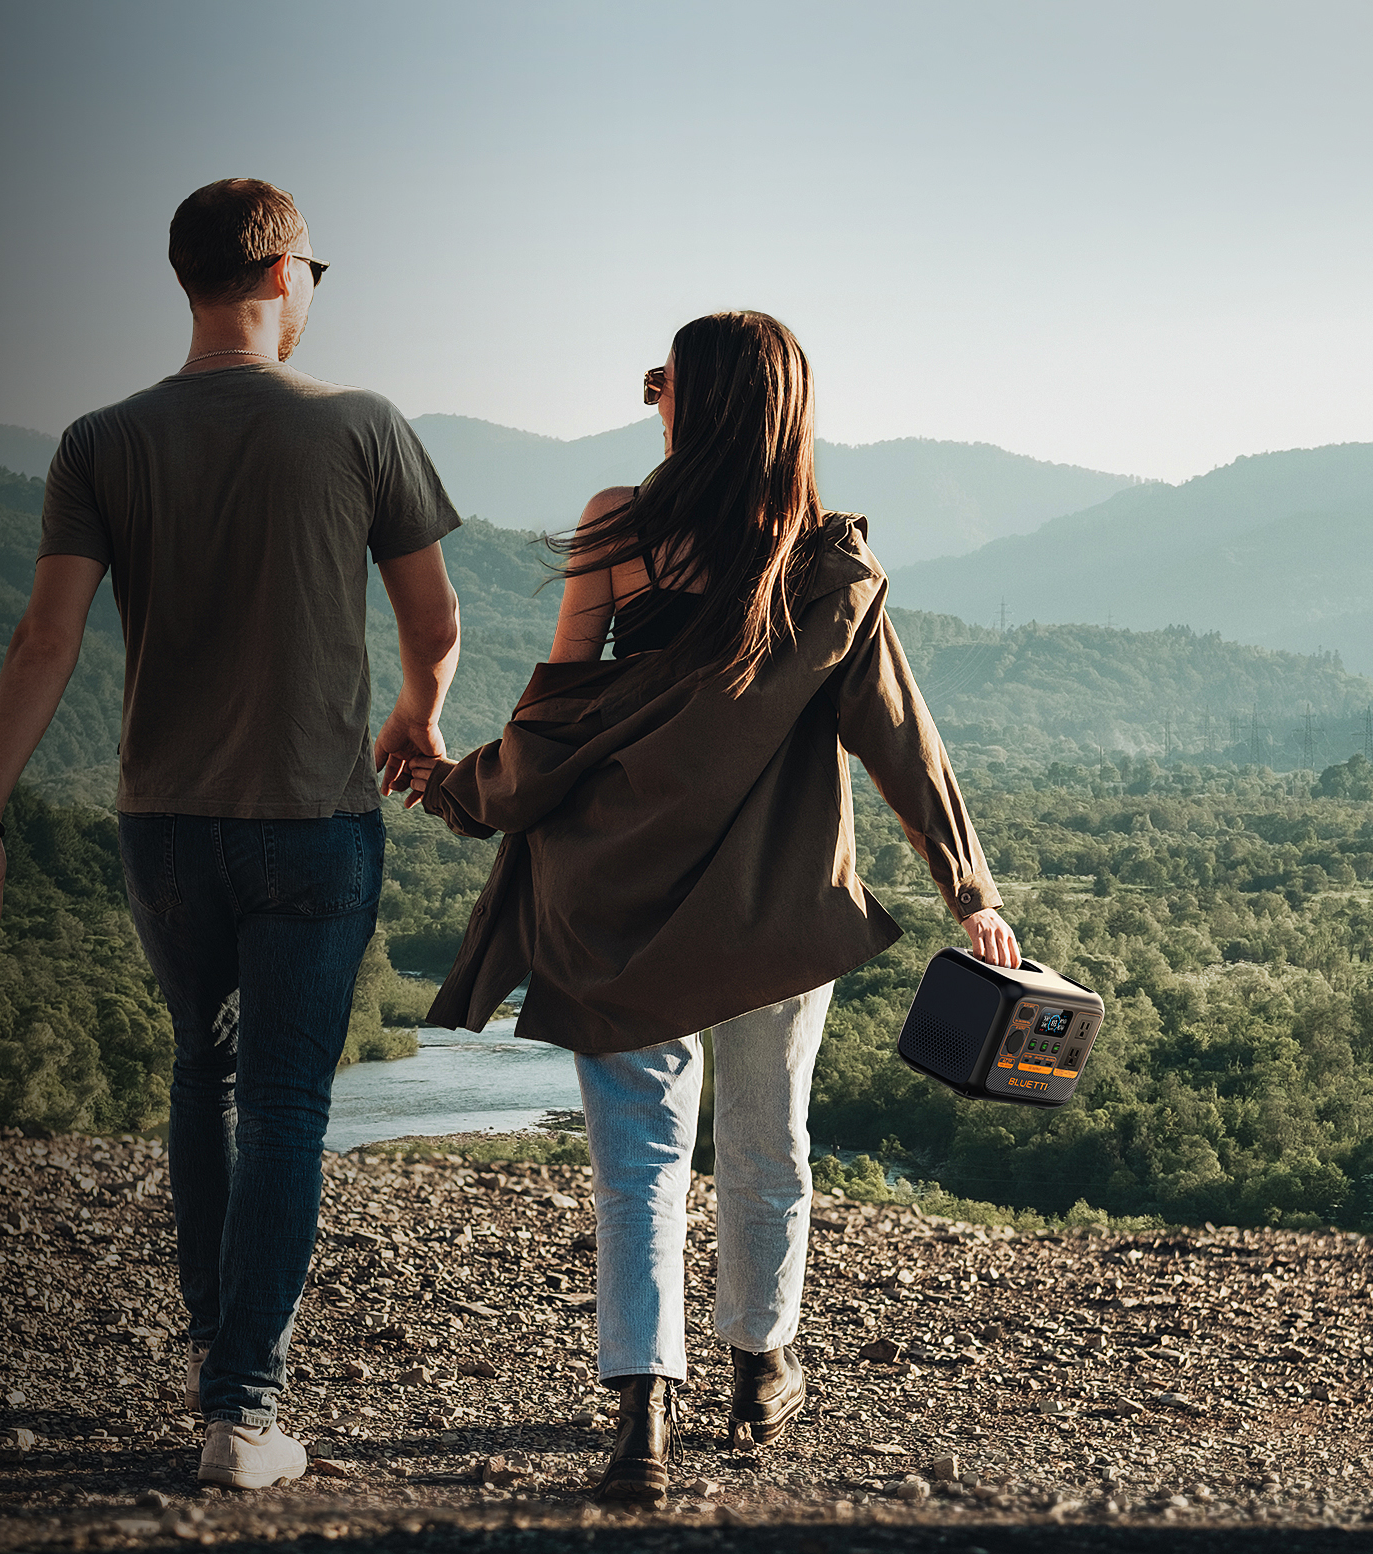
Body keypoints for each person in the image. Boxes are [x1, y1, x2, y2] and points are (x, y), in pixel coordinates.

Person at [395, 310, 1016, 1503]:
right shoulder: (832, 568)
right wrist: (968, 893)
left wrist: (459, 790)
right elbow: (903, 742)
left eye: (661, 382)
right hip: (776, 914)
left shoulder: (618, 526)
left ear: (708, 401)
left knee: (638, 1161)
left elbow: (556, 723)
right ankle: (761, 1365)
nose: (650, 401)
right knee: (767, 1147)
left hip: (613, 901)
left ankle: (640, 1420)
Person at [0, 178, 464, 1490]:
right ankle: (243, 1411)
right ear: (284, 276)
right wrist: (414, 723)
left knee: (204, 1073)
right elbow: (437, 624)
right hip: (316, 823)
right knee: (286, 1100)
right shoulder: (359, 426)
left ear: (186, 280)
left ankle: (215, 1370)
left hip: (166, 827)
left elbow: (44, 638)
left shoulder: (99, 441)